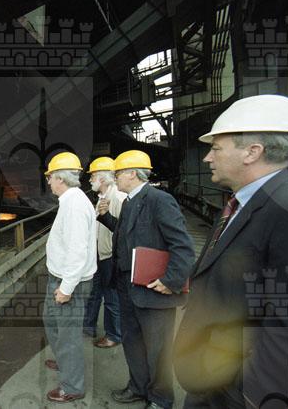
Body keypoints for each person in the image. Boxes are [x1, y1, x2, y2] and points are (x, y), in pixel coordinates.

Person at [173, 94, 288, 409]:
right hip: (211, 376)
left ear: (252, 152)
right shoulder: (244, 203)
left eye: (216, 148)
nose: (207, 158)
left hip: (236, 392)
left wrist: (252, 396)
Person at [98, 150, 195, 409]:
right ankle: (138, 387)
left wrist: (171, 280)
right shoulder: (129, 202)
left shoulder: (159, 200)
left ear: (132, 173)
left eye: (118, 173)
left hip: (154, 289)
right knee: (133, 342)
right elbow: (128, 235)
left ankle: (161, 399)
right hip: (128, 286)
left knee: (158, 350)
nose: (115, 178)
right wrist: (105, 218)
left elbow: (182, 245)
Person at [42, 152, 98, 403]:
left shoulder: (74, 205)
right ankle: (65, 361)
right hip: (60, 277)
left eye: (50, 177)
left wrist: (66, 289)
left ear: (61, 179)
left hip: (69, 283)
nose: (49, 181)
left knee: (68, 335)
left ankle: (72, 386)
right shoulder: (70, 200)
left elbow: (77, 251)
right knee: (51, 322)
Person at [83, 157, 125, 348]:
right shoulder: (102, 197)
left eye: (93, 176)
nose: (90, 179)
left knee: (111, 297)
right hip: (99, 255)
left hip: (110, 257)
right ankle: (88, 328)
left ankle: (114, 335)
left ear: (103, 178)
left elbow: (123, 231)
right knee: (94, 293)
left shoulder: (119, 198)